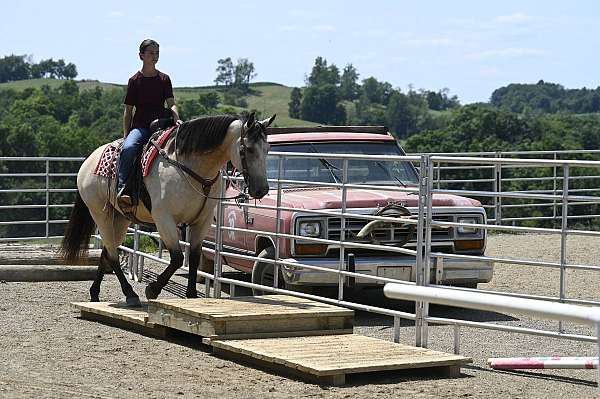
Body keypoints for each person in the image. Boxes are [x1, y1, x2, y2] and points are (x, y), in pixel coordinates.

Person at [117, 38, 182, 209]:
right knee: (129, 148)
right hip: (141, 127)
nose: (155, 56)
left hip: (162, 126)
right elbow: (128, 110)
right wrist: (126, 134)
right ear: (141, 55)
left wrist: (176, 118)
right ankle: (123, 188)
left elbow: (171, 103)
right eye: (151, 53)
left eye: (157, 53)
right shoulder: (134, 81)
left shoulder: (164, 79)